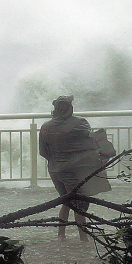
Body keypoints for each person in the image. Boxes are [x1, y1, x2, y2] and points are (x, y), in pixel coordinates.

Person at [39, 95, 110, 241]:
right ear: (70, 108)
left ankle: (61, 236)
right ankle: (83, 239)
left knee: (65, 201)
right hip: (75, 171)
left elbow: (43, 152)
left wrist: (57, 162)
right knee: (80, 203)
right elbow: (90, 143)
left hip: (55, 170)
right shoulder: (80, 123)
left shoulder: (45, 127)